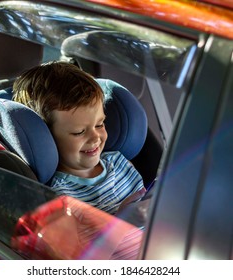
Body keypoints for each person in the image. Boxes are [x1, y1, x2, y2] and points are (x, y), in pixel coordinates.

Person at [12, 61, 145, 215]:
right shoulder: (61, 199)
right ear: (47, 137)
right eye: (79, 132)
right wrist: (121, 223)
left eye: (100, 124)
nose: (95, 137)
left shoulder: (121, 163)